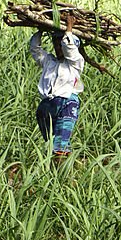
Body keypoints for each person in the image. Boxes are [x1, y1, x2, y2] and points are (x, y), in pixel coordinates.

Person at [30, 13, 85, 158]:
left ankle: (60, 173)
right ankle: (58, 170)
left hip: (66, 103)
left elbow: (70, 49)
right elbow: (35, 49)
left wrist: (69, 28)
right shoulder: (49, 62)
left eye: (61, 44)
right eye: (56, 44)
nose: (59, 48)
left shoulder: (76, 62)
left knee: (60, 144)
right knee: (51, 143)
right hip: (46, 106)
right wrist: (40, 30)